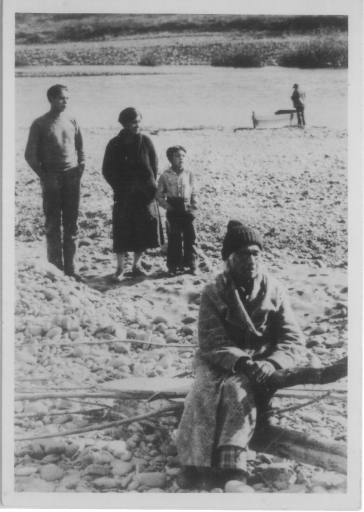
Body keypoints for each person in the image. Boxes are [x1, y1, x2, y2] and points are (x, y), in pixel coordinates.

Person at [176, 220, 304, 490]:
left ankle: (232, 466)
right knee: (203, 390)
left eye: (256, 253)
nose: (251, 259)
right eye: (244, 253)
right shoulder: (214, 290)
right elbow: (210, 338)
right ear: (229, 259)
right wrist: (240, 360)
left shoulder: (275, 290)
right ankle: (194, 464)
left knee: (238, 391)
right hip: (219, 359)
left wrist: (271, 363)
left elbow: (292, 338)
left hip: (260, 362)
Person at [24, 84, 85, 281]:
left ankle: (72, 269)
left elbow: (80, 147)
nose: (65, 102)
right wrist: (44, 175)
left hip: (71, 177)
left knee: (72, 224)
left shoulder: (72, 120)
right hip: (51, 179)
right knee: (52, 224)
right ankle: (56, 269)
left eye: (67, 98)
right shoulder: (40, 123)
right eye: (61, 98)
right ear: (50, 99)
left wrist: (81, 167)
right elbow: (30, 155)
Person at [102, 107, 164, 281]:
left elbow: (154, 166)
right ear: (125, 123)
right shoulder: (114, 143)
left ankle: (136, 265)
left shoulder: (146, 141)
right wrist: (120, 187)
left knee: (142, 229)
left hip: (145, 195)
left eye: (139, 121)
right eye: (134, 122)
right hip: (124, 195)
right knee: (122, 230)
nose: (137, 125)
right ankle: (120, 268)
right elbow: (107, 170)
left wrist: (149, 186)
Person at [156, 146, 198, 276]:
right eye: (177, 156)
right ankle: (174, 267)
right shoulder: (165, 175)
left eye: (183, 156)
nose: (181, 159)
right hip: (173, 207)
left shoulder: (189, 174)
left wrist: (194, 206)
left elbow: (195, 192)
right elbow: (159, 195)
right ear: (170, 158)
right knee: (174, 238)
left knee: (191, 237)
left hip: (187, 207)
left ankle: (192, 266)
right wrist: (168, 207)